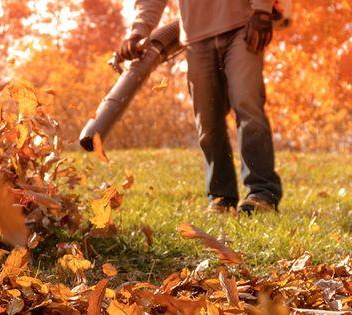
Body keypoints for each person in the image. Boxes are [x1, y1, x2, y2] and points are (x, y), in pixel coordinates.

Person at [118, 0, 283, 214]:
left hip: (243, 25)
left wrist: (262, 10)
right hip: (196, 36)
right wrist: (138, 31)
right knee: (207, 119)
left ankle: (262, 193)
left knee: (247, 103)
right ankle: (221, 198)